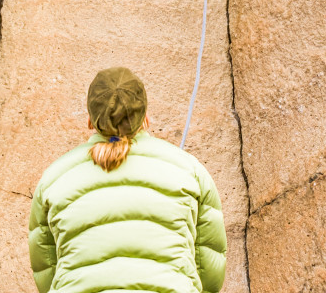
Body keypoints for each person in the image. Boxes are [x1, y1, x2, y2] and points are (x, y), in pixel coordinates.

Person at [29, 67, 226, 293]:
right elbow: (209, 269)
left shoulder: (54, 179)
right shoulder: (190, 171)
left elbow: (47, 272)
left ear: (90, 119)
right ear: (145, 115)